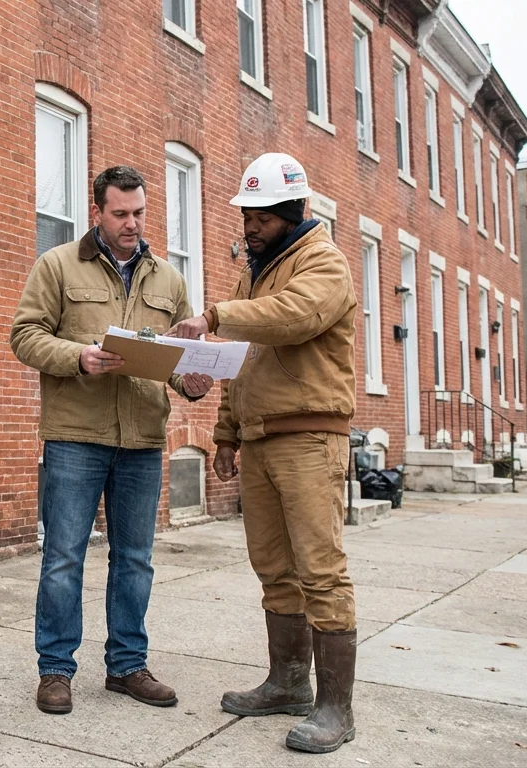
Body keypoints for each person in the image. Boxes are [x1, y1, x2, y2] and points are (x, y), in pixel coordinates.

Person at [167, 152, 359, 753]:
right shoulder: (254, 274)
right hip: (259, 438)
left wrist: (215, 315)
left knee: (320, 570)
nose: (250, 227)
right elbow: (241, 362)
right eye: (246, 217)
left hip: (309, 437)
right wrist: (226, 433)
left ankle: (336, 708)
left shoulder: (323, 261)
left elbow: (294, 317)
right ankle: (288, 683)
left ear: (293, 212)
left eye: (262, 218)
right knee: (273, 569)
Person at [12, 165, 214, 715]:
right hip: (75, 437)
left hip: (142, 439)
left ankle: (127, 666)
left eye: (139, 213)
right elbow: (24, 336)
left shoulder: (168, 280)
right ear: (97, 212)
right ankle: (56, 670)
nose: (132, 223)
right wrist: (78, 356)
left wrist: (191, 381)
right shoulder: (57, 265)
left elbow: (176, 358)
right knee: (63, 557)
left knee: (135, 560)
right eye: (121, 213)